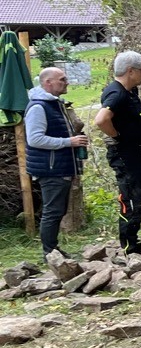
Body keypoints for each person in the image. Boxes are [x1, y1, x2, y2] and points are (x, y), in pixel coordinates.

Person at [93, 51, 141, 254]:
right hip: (127, 159)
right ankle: (131, 248)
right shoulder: (116, 93)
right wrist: (118, 136)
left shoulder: (130, 92)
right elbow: (101, 120)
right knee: (134, 205)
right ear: (130, 71)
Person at [23, 66, 88, 259]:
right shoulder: (38, 107)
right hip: (50, 168)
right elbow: (34, 139)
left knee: (57, 210)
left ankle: (52, 250)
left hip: (57, 165)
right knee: (53, 211)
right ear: (47, 82)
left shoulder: (53, 104)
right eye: (62, 79)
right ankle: (49, 252)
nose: (66, 82)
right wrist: (69, 142)